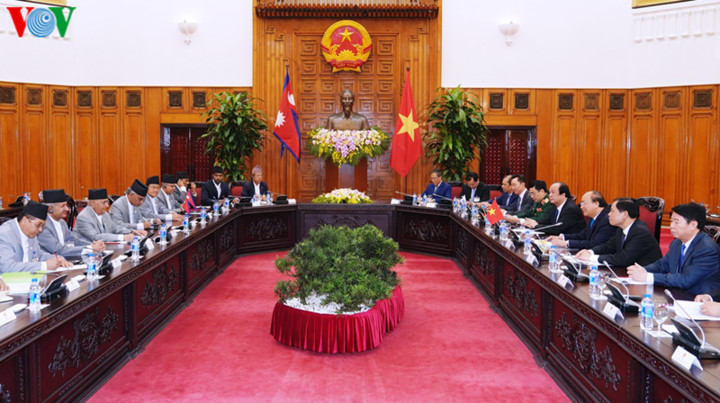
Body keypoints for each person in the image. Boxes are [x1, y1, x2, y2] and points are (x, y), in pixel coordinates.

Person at [627, 203, 720, 295]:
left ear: (693, 225)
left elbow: (686, 280)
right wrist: (642, 270)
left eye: (676, 222)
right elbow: (661, 265)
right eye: (671, 221)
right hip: (677, 294)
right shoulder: (677, 243)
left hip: (698, 300)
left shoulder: (707, 249)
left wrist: (648, 277)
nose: (671, 226)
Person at [575, 198, 662, 267]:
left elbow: (623, 259)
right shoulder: (621, 228)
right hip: (629, 271)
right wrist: (590, 252)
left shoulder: (640, 232)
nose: (608, 214)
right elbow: (609, 246)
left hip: (646, 277)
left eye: (612, 211)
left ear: (624, 214)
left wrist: (591, 258)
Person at [0, 201, 72, 273]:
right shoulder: (4, 235)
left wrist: (57, 259)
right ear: (25, 220)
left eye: (42, 226)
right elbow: (7, 267)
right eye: (38, 225)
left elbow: (39, 255)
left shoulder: (31, 232)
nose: (40, 230)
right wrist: (44, 266)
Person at [37, 188, 105, 256]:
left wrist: (94, 245)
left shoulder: (62, 222)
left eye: (66, 205)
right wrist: (90, 248)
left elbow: (74, 241)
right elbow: (59, 250)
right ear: (50, 209)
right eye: (63, 206)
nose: (67, 209)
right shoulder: (42, 226)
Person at [547, 190, 615, 250]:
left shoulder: (607, 219)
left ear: (596, 204)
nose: (581, 207)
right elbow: (582, 235)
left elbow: (595, 243)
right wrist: (561, 237)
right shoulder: (592, 217)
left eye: (583, 204)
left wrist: (566, 243)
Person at [75, 188, 147, 243]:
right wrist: (123, 237)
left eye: (107, 202)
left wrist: (131, 231)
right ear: (93, 204)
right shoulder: (84, 217)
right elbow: (96, 237)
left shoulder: (105, 214)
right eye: (104, 203)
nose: (107, 205)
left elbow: (115, 227)